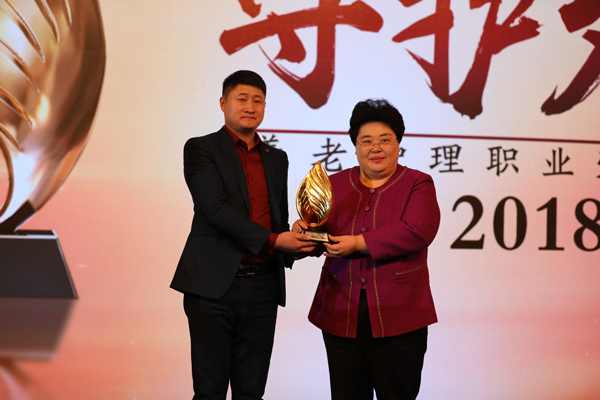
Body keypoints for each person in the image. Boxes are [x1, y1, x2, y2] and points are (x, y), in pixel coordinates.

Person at [171, 70, 315, 400]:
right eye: (242, 99)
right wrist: (275, 240)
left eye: (258, 100)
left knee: (251, 392)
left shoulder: (277, 159)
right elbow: (214, 209)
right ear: (223, 103)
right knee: (209, 391)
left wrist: (295, 237)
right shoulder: (201, 148)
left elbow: (277, 219)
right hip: (212, 287)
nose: (250, 107)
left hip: (263, 286)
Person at [295, 99, 440, 400]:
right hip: (340, 313)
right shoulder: (334, 185)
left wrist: (358, 243)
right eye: (366, 141)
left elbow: (418, 230)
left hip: (400, 315)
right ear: (355, 146)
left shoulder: (417, 183)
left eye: (385, 140)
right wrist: (306, 232)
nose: (376, 148)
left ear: (398, 143)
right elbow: (321, 235)